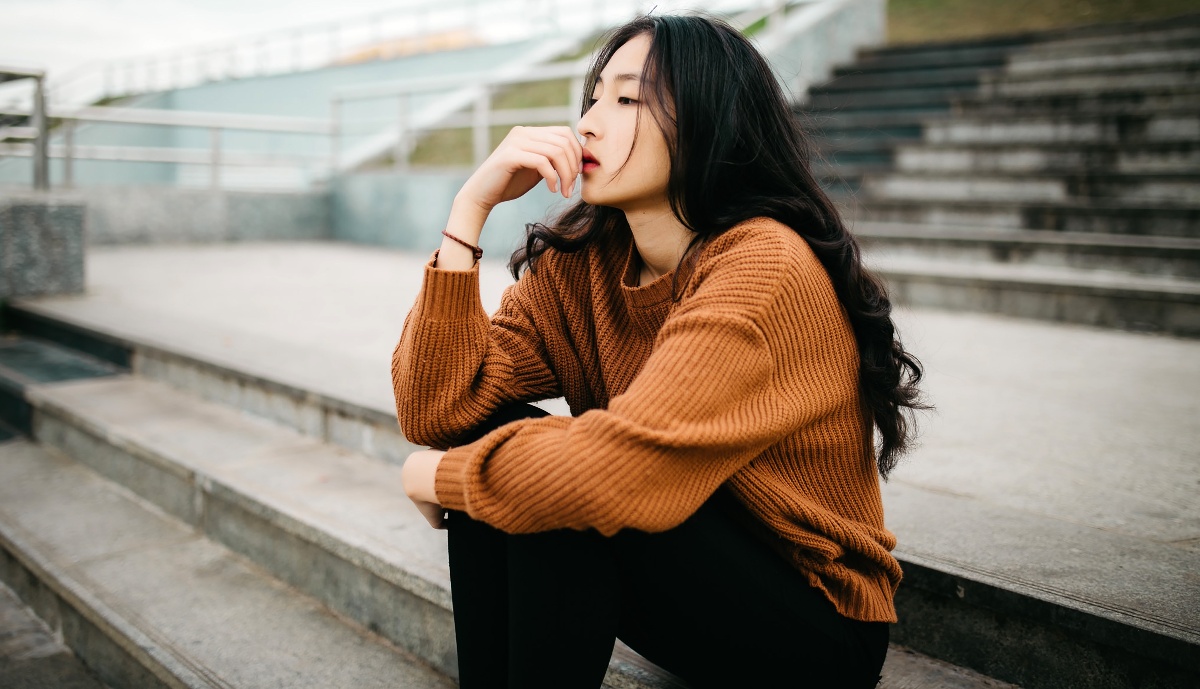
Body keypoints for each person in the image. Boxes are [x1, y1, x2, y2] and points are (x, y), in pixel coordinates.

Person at [392, 12, 926, 689]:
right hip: (681, 567)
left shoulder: (764, 265)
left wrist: (439, 478)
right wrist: (468, 211)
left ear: (706, 121)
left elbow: (622, 469)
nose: (588, 122)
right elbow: (439, 409)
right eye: (592, 97)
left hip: (811, 618)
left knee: (565, 484)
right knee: (515, 449)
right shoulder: (583, 262)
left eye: (626, 99)